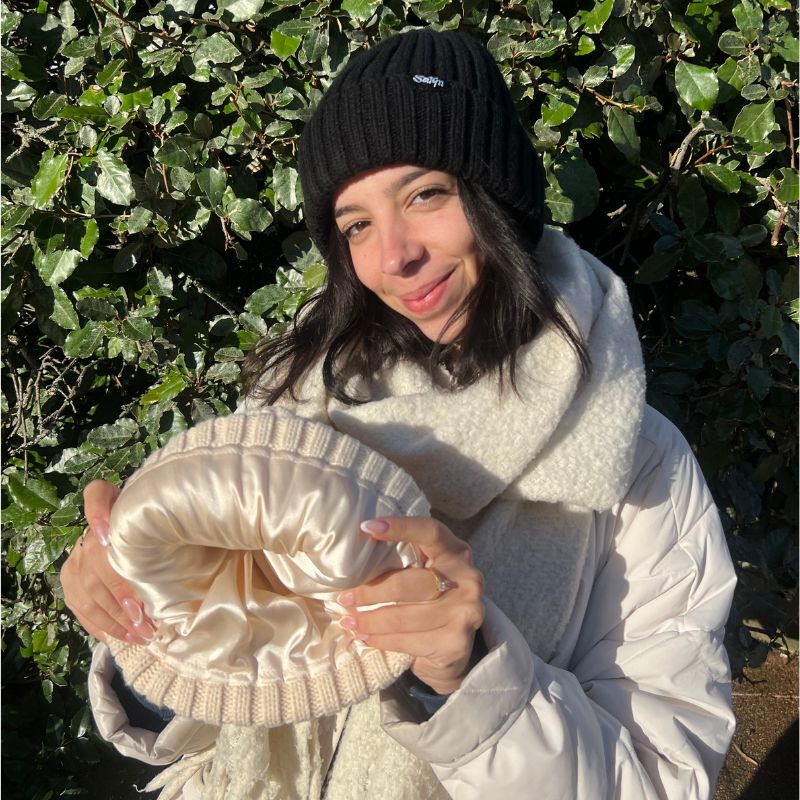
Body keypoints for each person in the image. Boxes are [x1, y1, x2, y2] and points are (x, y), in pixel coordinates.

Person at [60, 27, 736, 800]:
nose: (393, 256)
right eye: (356, 224)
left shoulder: (638, 465)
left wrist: (473, 680)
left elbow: (661, 777)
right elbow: (214, 714)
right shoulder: (294, 406)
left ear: (500, 201)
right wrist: (141, 616)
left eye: (425, 195)